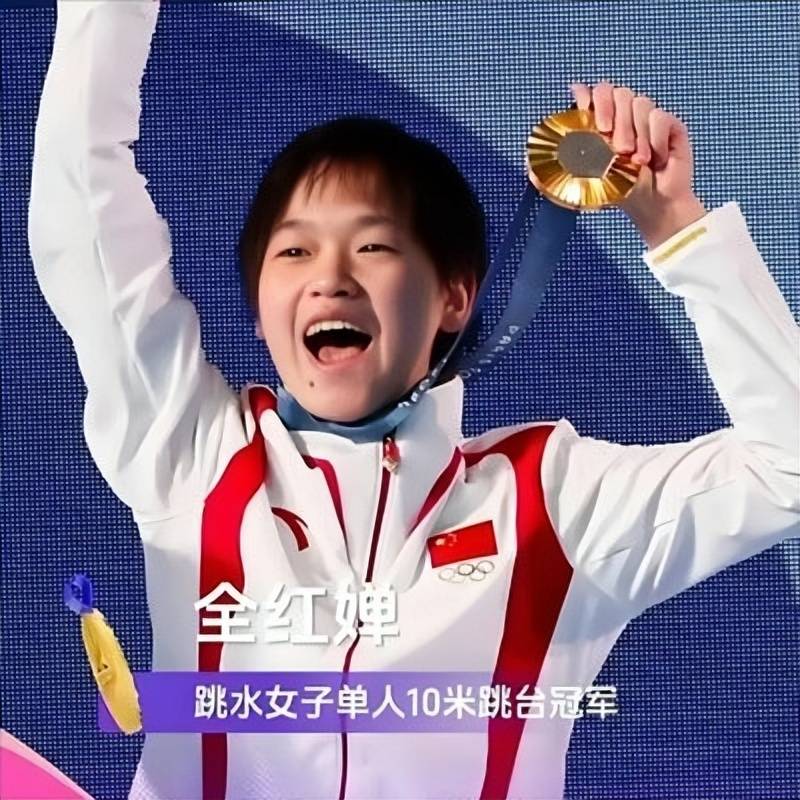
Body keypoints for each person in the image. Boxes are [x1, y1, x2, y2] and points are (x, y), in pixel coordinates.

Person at [28, 2, 799, 799]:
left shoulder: (554, 505)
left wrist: (675, 227)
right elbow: (83, 210)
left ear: (454, 297)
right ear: (258, 308)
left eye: (373, 245)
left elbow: (790, 466)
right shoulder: (192, 454)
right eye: (294, 251)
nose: (330, 277)